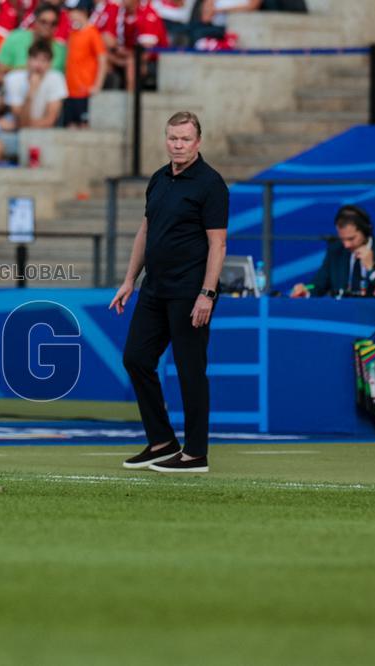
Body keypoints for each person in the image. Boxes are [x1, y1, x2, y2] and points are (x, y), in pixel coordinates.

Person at [109, 111, 228, 473]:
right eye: (172, 138)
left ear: (198, 142)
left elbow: (218, 245)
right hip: (154, 288)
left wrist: (207, 293)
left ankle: (195, 453)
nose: (178, 145)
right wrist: (130, 279)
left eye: (185, 139)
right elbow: (145, 232)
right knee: (136, 358)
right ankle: (162, 441)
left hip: (190, 292)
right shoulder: (159, 179)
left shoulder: (210, 184)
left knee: (191, 370)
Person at [290, 205, 375, 298]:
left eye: (351, 239)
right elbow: (318, 284)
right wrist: (305, 290)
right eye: (342, 239)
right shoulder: (336, 250)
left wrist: (371, 270)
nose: (346, 245)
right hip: (342, 314)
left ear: (366, 230)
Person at [63, 0, 107, 126]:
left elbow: (102, 59)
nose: (69, 14)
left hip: (84, 90)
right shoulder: (73, 32)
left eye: (72, 11)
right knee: (70, 126)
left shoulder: (92, 32)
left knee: (83, 125)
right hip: (70, 90)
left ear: (82, 11)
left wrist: (97, 85)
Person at [0, 3, 66, 78]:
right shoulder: (15, 38)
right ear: (35, 21)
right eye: (43, 22)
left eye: (53, 23)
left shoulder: (61, 51)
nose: (48, 27)